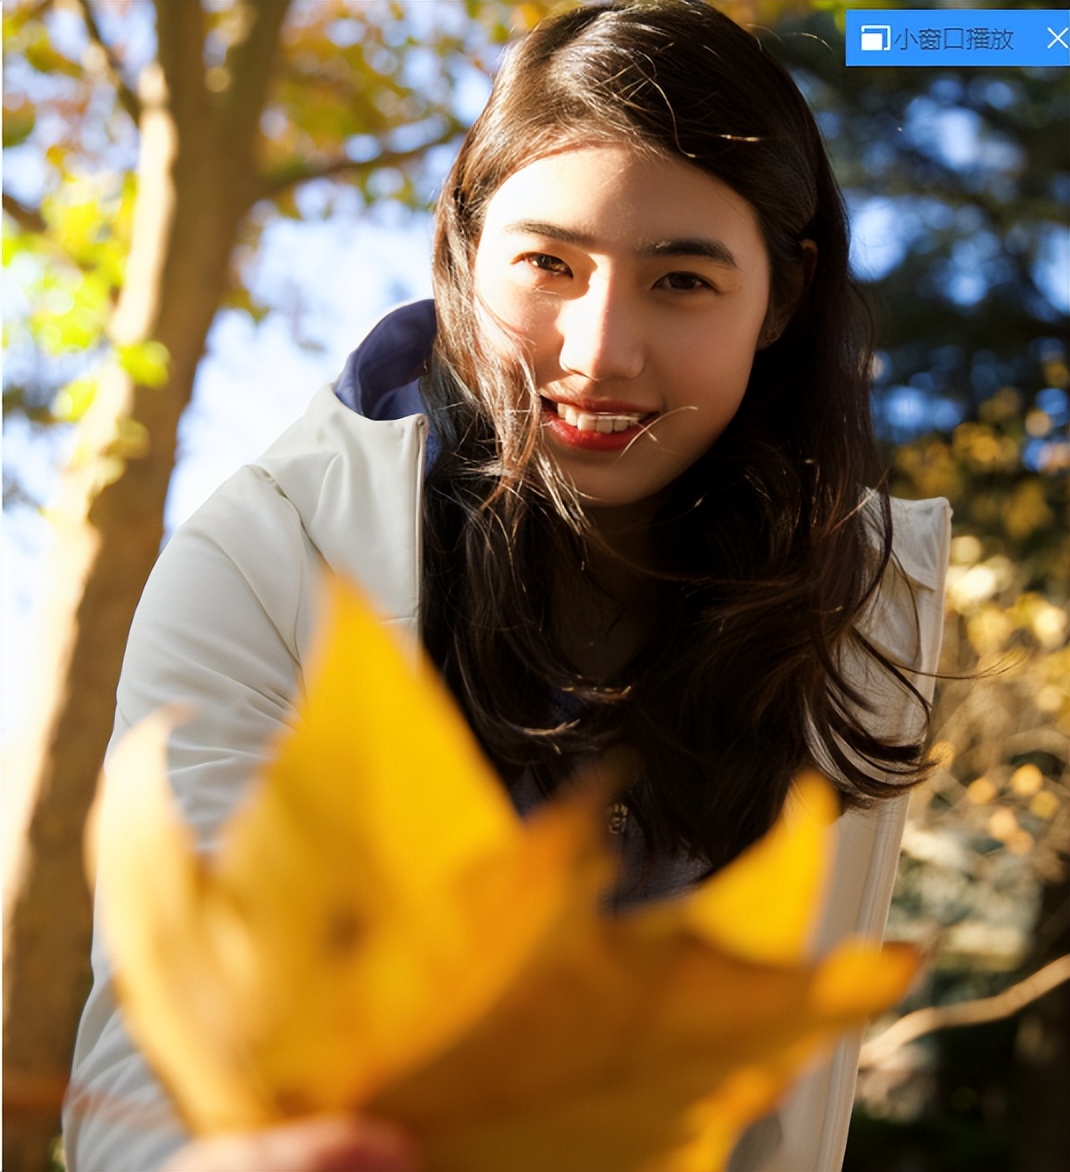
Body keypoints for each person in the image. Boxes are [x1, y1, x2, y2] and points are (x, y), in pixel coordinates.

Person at [62, 2, 951, 1170]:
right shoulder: (270, 552)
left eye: (679, 280)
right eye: (548, 263)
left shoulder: (869, 601)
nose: (597, 349)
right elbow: (156, 1026)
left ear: (780, 298)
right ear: (464, 250)